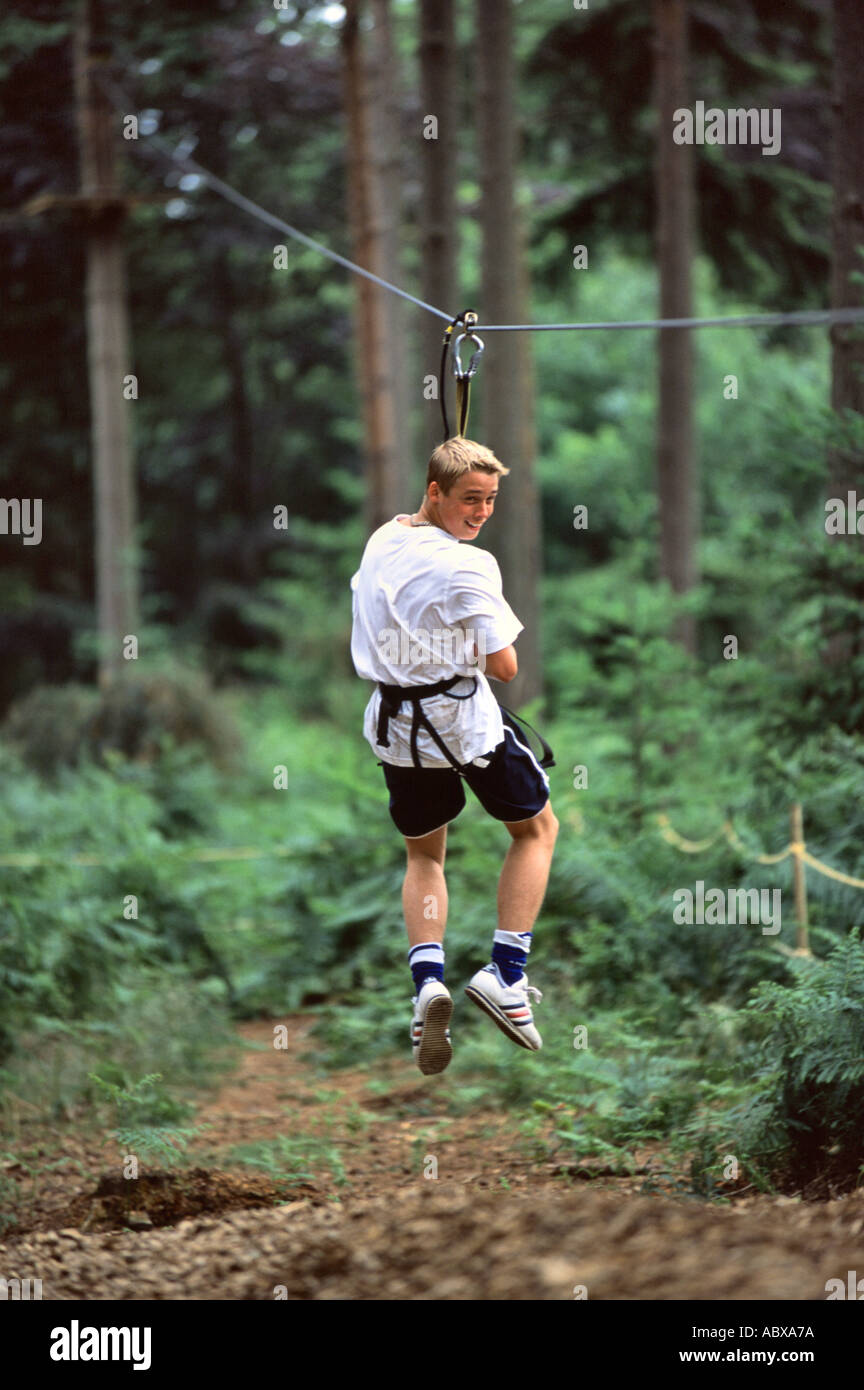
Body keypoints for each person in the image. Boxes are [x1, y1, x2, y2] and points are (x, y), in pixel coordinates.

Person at [350, 437, 559, 1075]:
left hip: (396, 726)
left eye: (492, 500)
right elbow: (504, 665)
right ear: (436, 492)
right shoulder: (472, 567)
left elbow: (418, 549)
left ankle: (427, 985)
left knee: (424, 853)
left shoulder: (383, 540)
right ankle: (505, 973)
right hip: (462, 725)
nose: (483, 512)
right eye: (471, 499)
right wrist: (460, 642)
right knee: (536, 830)